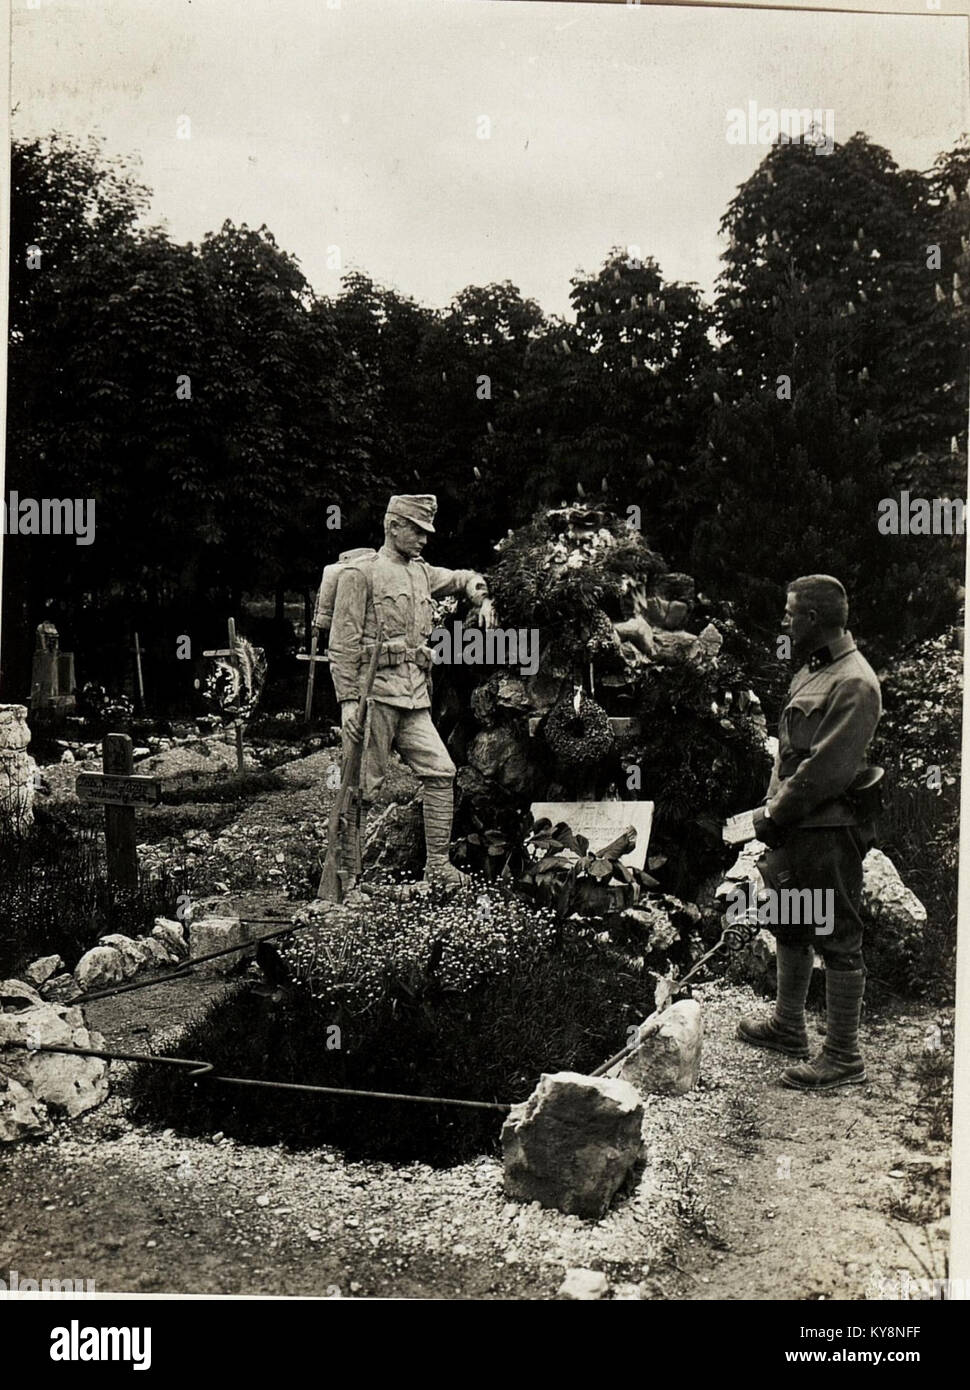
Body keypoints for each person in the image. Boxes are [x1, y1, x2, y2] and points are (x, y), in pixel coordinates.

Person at [737, 575, 882, 1091]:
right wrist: (773, 810)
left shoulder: (855, 681)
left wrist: (774, 817)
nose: (783, 620)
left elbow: (826, 770)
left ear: (813, 619)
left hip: (827, 828)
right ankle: (788, 1026)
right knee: (791, 921)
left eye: (790, 612)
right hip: (797, 825)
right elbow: (789, 755)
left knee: (838, 935)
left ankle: (843, 1056)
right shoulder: (814, 671)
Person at [327, 494, 487, 888]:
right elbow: (343, 644)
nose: (423, 539)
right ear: (393, 526)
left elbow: (462, 578)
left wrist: (481, 593)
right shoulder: (360, 575)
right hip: (373, 696)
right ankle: (347, 880)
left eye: (426, 531)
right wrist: (348, 703)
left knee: (441, 771)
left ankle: (437, 866)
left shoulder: (421, 573)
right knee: (361, 787)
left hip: (413, 696)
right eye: (416, 530)